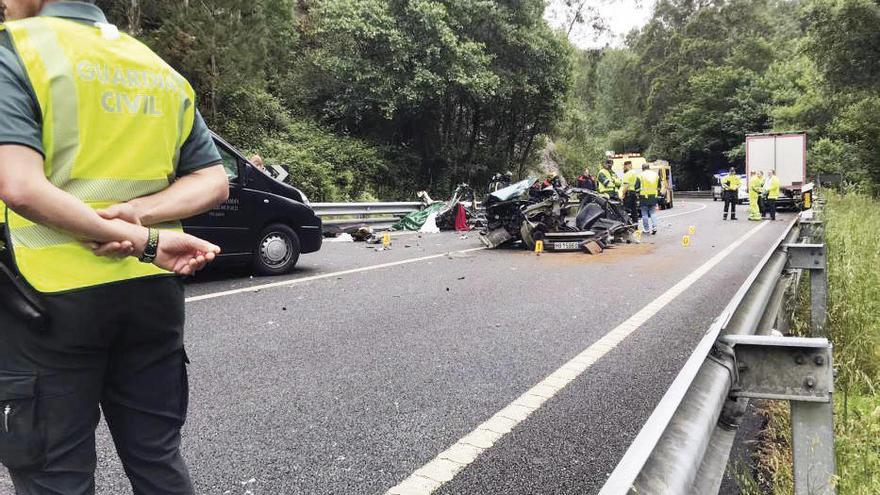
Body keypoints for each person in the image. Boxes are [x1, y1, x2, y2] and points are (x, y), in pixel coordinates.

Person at [0, 1, 230, 493]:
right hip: (151, 294)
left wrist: (131, 233)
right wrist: (142, 217)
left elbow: (19, 185)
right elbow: (214, 180)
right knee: (157, 458)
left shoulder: (13, 49)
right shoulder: (158, 69)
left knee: (55, 476)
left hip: (44, 300)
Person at [635, 163, 659, 234]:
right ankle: (654, 228)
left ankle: (646, 229)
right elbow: (659, 186)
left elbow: (637, 188)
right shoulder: (655, 175)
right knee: (653, 213)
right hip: (653, 196)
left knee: (644, 214)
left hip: (643, 196)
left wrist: (637, 195)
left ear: (642, 168)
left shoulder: (640, 175)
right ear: (649, 168)